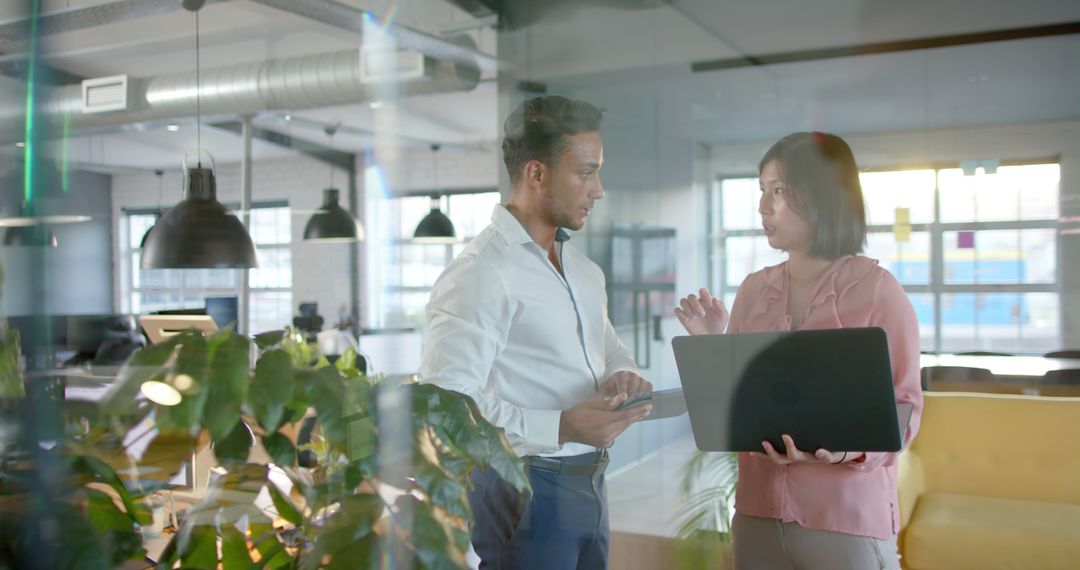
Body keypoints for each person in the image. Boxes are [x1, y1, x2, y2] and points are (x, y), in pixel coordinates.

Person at [420, 95, 653, 570]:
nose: (599, 189)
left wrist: (623, 372)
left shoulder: (584, 271)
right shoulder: (481, 273)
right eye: (586, 173)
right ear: (536, 174)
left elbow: (609, 347)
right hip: (523, 487)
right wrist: (562, 425)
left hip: (591, 481)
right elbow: (446, 407)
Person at [675, 132, 922, 570]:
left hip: (844, 523)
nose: (763, 207)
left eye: (780, 191)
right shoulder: (754, 290)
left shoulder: (878, 292)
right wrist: (711, 347)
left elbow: (905, 412)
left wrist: (844, 451)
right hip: (757, 518)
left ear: (824, 196)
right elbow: (736, 407)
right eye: (762, 190)